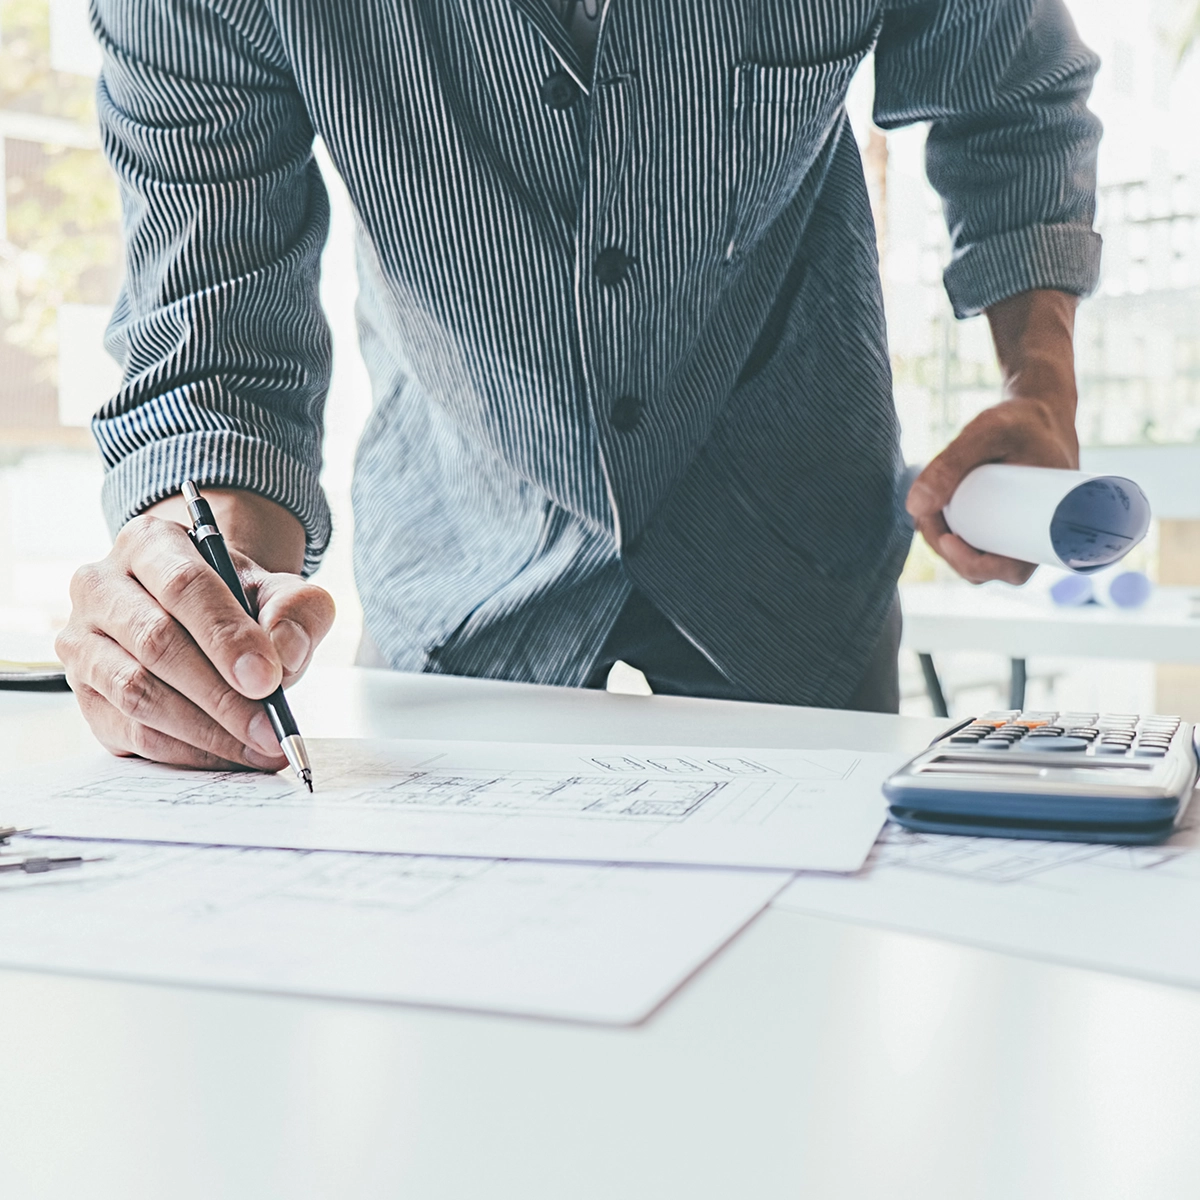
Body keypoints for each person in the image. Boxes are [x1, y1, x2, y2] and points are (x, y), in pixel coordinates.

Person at [57, 0, 1100, 772]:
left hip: (793, 556)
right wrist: (212, 594)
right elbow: (219, 341)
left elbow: (1012, 95)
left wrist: (1041, 383)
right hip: (460, 579)